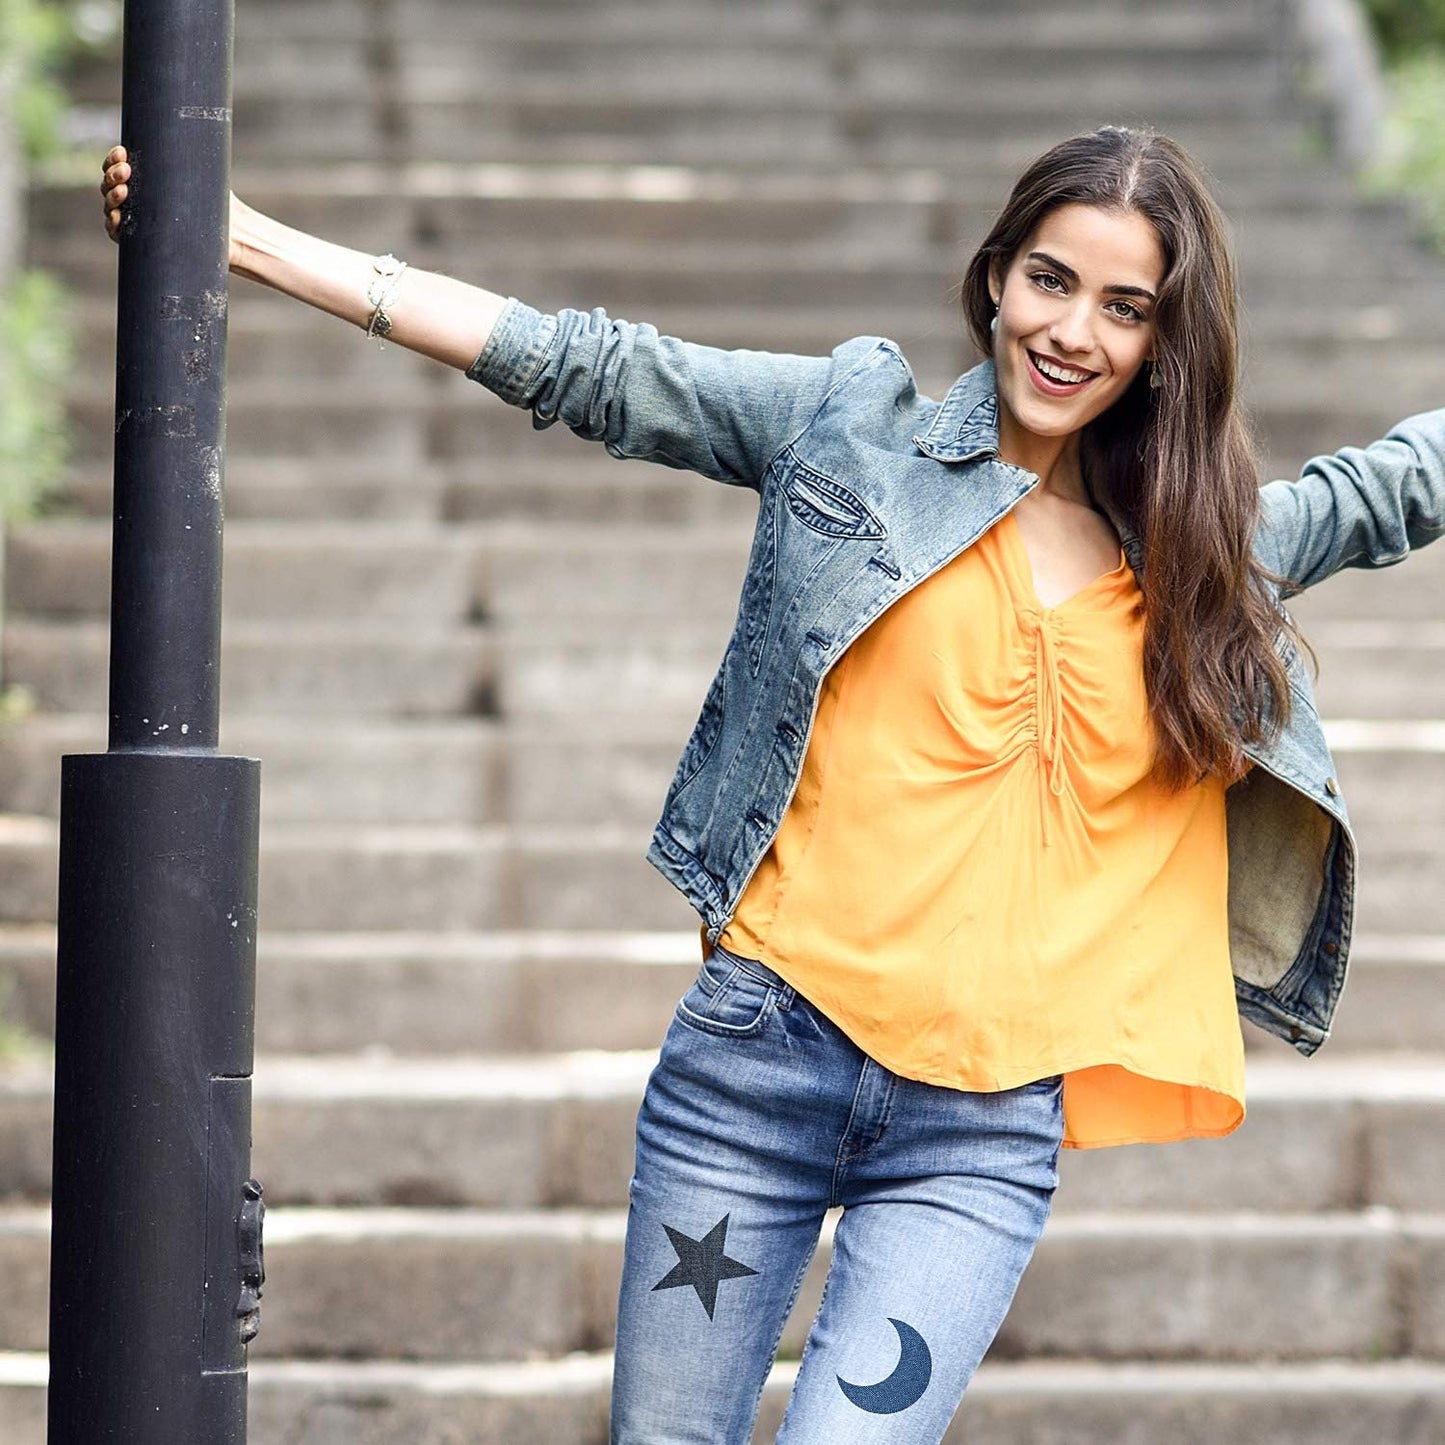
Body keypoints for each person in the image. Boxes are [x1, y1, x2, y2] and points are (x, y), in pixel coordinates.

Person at [101, 125, 1445, 1443]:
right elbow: (583, 365)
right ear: (993, 276)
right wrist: (243, 239)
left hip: (973, 1136)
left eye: (1123, 305)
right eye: (1049, 278)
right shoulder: (847, 431)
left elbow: (1395, 480)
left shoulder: (1206, 548)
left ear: (1164, 342)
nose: (1072, 331)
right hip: (755, 1068)